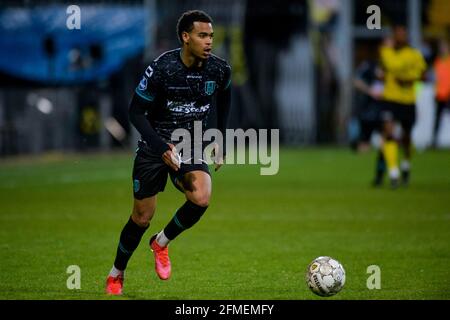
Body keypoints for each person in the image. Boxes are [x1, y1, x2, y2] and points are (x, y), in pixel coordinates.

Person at [105, 10, 231, 295]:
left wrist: (219, 139)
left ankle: (160, 242)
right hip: (154, 146)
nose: (209, 41)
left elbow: (225, 95)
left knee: (201, 196)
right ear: (186, 38)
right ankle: (117, 272)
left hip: (190, 144)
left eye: (211, 35)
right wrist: (162, 148)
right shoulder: (162, 68)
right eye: (202, 35)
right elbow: (135, 113)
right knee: (141, 217)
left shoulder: (219, 69)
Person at [373, 25, 426, 188]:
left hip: (408, 100)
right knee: (388, 133)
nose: (400, 36)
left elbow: (422, 74)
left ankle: (406, 165)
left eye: (403, 34)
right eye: (397, 34)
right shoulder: (388, 53)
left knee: (406, 137)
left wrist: (411, 79)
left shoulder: (413, 55)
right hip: (390, 98)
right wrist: (382, 76)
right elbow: (382, 71)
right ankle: (393, 173)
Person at [432, 39, 450, 148]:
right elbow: (436, 78)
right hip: (439, 94)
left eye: (444, 47)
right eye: (441, 47)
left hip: (449, 93)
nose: (443, 49)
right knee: (437, 118)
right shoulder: (437, 61)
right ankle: (434, 141)